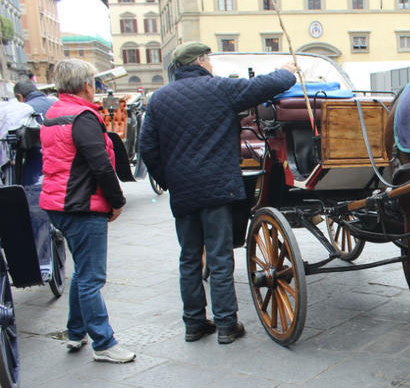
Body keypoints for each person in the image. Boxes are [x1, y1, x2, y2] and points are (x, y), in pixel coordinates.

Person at [140, 41, 298, 344]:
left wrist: (171, 180)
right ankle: (227, 326)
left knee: (189, 258)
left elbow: (148, 149)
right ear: (200, 61)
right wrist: (286, 72)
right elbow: (263, 86)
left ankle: (194, 324)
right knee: (220, 256)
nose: (210, 63)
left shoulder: (159, 100)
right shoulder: (219, 89)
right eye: (208, 59)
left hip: (184, 191)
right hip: (217, 187)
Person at [39, 59, 133, 363]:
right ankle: (103, 342)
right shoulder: (82, 117)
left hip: (57, 204)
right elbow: (101, 165)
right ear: (86, 85)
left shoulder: (54, 113)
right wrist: (117, 200)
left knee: (81, 271)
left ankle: (76, 330)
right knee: (92, 276)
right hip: (81, 205)